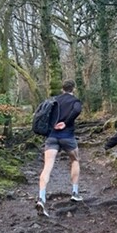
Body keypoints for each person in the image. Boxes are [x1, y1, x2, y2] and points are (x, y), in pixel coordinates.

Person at [36, 80, 83, 217]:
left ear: (62, 89)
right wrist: (66, 122)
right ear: (73, 88)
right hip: (68, 137)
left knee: (47, 167)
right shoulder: (75, 101)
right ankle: (74, 192)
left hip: (51, 137)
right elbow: (77, 110)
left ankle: (41, 198)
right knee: (75, 160)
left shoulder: (54, 100)